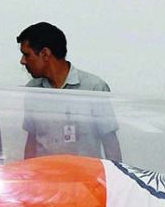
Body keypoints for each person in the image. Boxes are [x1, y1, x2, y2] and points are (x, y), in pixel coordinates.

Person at [17, 22, 121, 161]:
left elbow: (110, 143)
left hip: (84, 178)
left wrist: (114, 179)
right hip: (47, 177)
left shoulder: (93, 88)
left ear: (45, 54)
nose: (22, 61)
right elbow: (32, 141)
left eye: (26, 55)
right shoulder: (33, 90)